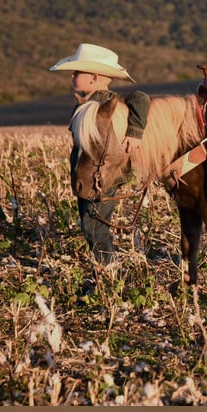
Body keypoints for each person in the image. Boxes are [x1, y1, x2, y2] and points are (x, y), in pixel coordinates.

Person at [49, 43, 150, 265]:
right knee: (90, 223)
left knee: (93, 224)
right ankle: (105, 265)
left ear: (94, 78)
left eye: (77, 73)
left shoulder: (108, 102)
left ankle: (108, 268)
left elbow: (140, 98)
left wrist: (135, 133)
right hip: (87, 174)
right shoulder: (85, 105)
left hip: (102, 175)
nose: (72, 75)